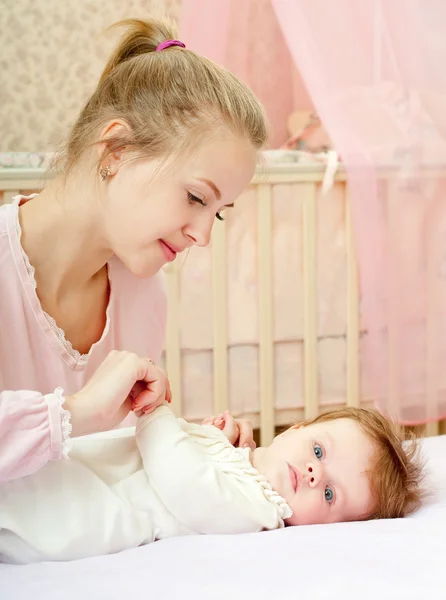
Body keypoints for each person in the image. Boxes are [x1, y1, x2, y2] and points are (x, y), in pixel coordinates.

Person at [0, 16, 266, 484]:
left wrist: (193, 451)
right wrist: (74, 413)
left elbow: (103, 473)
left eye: (218, 213)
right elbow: (82, 425)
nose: (203, 237)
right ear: (116, 150)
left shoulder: (143, 292)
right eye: (197, 198)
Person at [0, 404, 424, 564]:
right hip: (87, 467)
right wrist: (213, 438)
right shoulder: (246, 465)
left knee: (31, 502)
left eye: (330, 494)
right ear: (295, 428)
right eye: (318, 451)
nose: (315, 474)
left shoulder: (258, 510)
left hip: (85, 512)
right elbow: (202, 462)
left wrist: (156, 412)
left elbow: (183, 480)